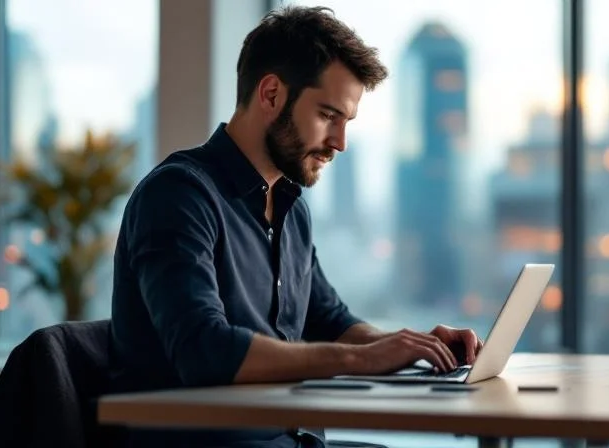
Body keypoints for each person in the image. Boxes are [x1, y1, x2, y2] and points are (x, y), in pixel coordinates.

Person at [108, 5, 482, 447]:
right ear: (270, 95)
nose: (339, 143)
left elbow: (332, 321)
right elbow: (205, 353)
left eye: (346, 123)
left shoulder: (291, 207)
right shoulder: (178, 196)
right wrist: (362, 359)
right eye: (328, 116)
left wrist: (413, 346)